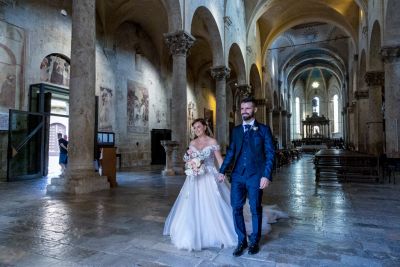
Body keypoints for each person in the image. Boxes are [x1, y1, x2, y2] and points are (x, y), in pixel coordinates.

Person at [163, 117, 286, 251]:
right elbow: (189, 159)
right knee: (193, 204)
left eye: (199, 127)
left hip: (209, 176)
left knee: (214, 203)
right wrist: (190, 163)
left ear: (205, 127)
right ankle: (193, 230)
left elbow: (220, 160)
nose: (197, 130)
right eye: (194, 128)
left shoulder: (212, 141)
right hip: (195, 178)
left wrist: (223, 173)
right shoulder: (192, 142)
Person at [218, 96, 275, 256]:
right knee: (236, 208)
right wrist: (222, 170)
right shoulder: (236, 130)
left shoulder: (263, 129)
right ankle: (241, 240)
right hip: (237, 176)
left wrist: (266, 175)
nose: (244, 111)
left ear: (255, 109)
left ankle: (254, 241)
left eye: (248, 108)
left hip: (256, 176)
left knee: (255, 208)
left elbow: (270, 153)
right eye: (242, 109)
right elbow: (231, 152)